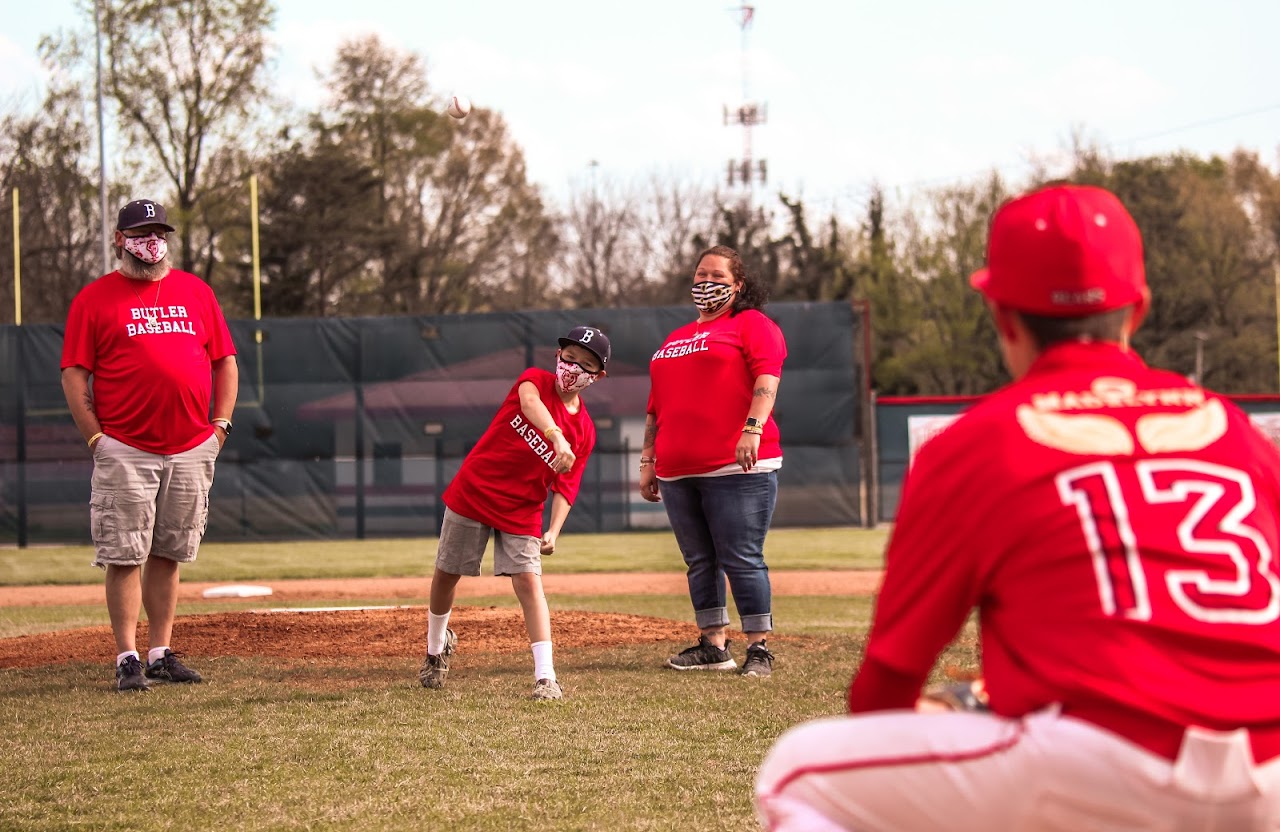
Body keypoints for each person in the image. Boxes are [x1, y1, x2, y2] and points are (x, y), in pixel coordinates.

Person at [754, 183, 1280, 831]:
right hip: (1273, 770)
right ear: (1138, 310)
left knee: (794, 773)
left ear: (1002, 315)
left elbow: (887, 680)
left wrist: (944, 720)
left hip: (1103, 762)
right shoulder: (1231, 429)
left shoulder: (981, 441)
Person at [61, 198, 239, 693]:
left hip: (189, 447)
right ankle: (127, 657)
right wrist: (96, 437)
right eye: (140, 232)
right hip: (126, 448)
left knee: (168, 553)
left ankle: (160, 652)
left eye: (159, 231)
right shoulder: (95, 299)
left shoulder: (195, 292)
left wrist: (218, 427)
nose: (151, 240)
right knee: (123, 555)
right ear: (120, 240)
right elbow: (75, 373)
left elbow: (224, 360)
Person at [418, 325, 609, 701]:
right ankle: (435, 651)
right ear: (558, 357)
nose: (573, 368)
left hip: (523, 506)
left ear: (598, 376)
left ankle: (546, 677)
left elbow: (567, 486)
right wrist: (555, 435)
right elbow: (530, 405)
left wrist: (553, 530)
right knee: (447, 573)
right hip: (476, 489)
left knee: (528, 582)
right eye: (569, 358)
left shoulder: (585, 430)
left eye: (585, 365)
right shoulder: (534, 380)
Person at [641, 245, 787, 678]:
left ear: (738, 285)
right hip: (677, 469)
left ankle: (758, 648)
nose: (707, 283)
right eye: (701, 274)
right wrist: (648, 459)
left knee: (741, 557)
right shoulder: (675, 338)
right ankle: (713, 645)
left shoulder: (751, 324)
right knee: (700, 560)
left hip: (736, 465)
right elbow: (656, 406)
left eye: (718, 277)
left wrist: (753, 429)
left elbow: (767, 376)